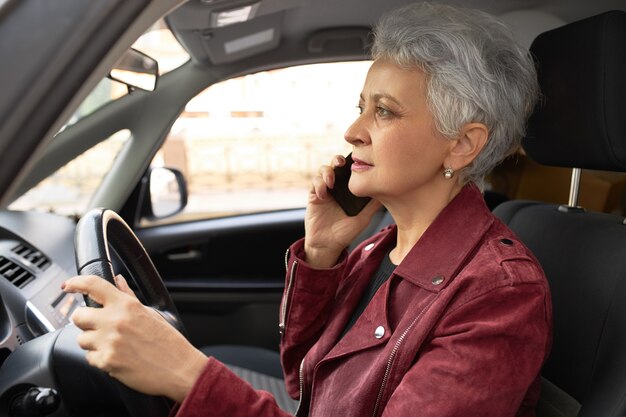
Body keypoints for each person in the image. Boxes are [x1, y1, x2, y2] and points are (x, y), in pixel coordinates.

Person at [62, 2, 552, 416]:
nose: (353, 131)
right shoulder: (381, 245)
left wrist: (189, 377)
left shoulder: (500, 294)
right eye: (362, 106)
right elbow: (304, 385)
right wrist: (320, 254)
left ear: (462, 145)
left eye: (384, 111)